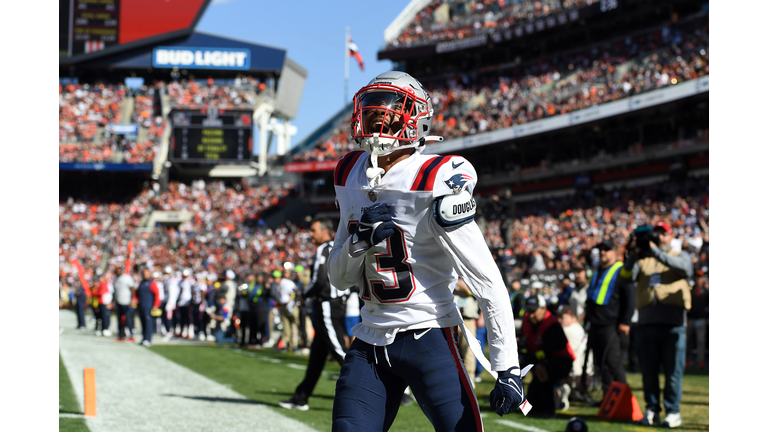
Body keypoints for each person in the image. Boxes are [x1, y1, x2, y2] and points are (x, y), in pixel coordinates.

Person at [328, 71, 526, 431]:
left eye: (387, 116)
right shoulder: (349, 172)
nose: (376, 121)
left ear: (416, 120)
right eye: (370, 113)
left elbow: (486, 280)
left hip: (429, 336)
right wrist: (359, 243)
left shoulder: (434, 178)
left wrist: (507, 365)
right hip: (370, 339)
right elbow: (339, 277)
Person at [280, 218, 350, 411]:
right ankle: (300, 397)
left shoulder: (324, 249)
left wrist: (304, 294)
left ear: (326, 232)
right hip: (335, 302)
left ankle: (377, 389)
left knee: (340, 352)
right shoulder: (337, 246)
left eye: (313, 230)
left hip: (327, 304)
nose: (310, 235)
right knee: (317, 357)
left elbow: (319, 281)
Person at [628, 222, 693, 428]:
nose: (659, 238)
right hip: (646, 323)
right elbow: (626, 277)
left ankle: (673, 411)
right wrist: (632, 253)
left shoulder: (679, 255)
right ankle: (652, 409)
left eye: (663, 234)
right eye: (656, 235)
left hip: (673, 323)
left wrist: (654, 250)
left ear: (670, 236)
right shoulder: (643, 258)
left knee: (673, 372)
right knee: (649, 371)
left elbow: (685, 269)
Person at [584, 238, 635, 400]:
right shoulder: (598, 271)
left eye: (606, 249)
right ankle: (608, 401)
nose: (603, 252)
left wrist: (625, 322)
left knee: (612, 364)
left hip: (612, 326)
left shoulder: (621, 270)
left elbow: (630, 297)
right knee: (600, 365)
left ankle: (623, 400)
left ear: (615, 252)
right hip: (596, 325)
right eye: (601, 250)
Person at [520, 295, 575, 417]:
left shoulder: (552, 324)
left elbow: (546, 352)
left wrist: (525, 358)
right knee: (533, 403)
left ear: (543, 308)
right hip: (539, 360)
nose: (531, 315)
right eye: (528, 311)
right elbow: (525, 340)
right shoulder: (528, 321)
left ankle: (552, 405)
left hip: (560, 361)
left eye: (533, 311)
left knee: (542, 370)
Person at [454, 277, 480, 386]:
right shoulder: (448, 274)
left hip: (467, 320)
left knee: (469, 350)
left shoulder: (469, 277)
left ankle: (470, 378)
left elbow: (469, 291)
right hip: (452, 319)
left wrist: (458, 282)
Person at [272, 270, 300, 352]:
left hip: (291, 307)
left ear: (279, 277)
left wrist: (289, 301)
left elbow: (295, 292)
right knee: (286, 327)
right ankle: (287, 345)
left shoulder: (287, 283)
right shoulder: (276, 285)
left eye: (275, 278)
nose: (274, 279)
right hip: (283, 307)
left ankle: (294, 345)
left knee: (294, 326)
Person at [136, 268, 162, 347]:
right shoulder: (141, 283)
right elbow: (137, 294)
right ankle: (144, 338)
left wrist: (156, 305)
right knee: (143, 323)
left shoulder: (152, 283)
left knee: (148, 323)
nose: (145, 275)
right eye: (144, 273)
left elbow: (157, 294)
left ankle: (148, 339)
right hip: (141, 306)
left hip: (149, 306)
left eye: (146, 273)